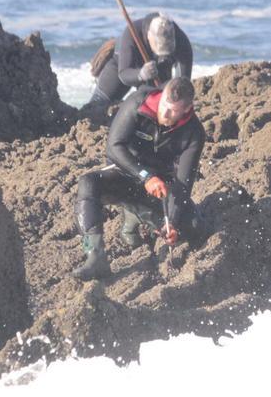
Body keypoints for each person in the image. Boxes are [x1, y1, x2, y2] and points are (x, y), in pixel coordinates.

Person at [72, 76, 208, 280]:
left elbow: (183, 185)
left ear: (187, 110)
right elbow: (114, 146)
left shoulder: (194, 133)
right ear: (162, 96)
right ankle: (94, 256)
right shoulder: (139, 102)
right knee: (88, 183)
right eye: (164, 105)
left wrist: (173, 222)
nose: (164, 113)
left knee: (194, 227)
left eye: (172, 111)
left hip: (161, 190)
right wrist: (146, 176)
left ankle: (137, 214)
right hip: (125, 174)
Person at [84, 12, 193, 112]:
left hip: (159, 69)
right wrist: (141, 74)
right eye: (159, 50)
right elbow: (124, 74)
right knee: (97, 105)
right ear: (149, 36)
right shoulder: (132, 32)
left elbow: (183, 83)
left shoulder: (182, 43)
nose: (161, 55)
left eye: (166, 52)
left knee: (159, 103)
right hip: (123, 66)